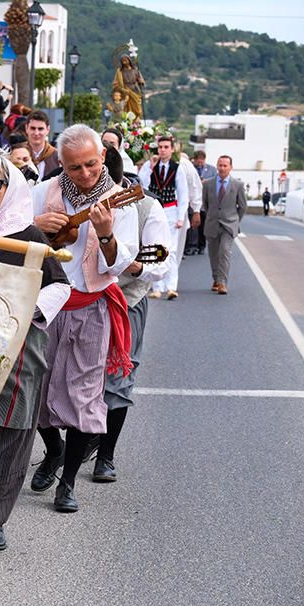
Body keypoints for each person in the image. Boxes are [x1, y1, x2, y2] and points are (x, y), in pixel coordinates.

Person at [0, 152, 70, 551]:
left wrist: (22, 313)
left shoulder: (29, 237)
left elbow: (59, 285)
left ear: (11, 190)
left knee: (6, 438)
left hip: (18, 351)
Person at [30, 124, 139, 513]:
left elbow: (126, 263)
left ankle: (68, 481)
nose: (86, 174)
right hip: (45, 305)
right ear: (61, 163)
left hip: (91, 306)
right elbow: (12, 237)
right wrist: (36, 227)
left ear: (103, 157)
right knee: (35, 388)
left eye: (92, 164)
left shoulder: (120, 200)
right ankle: (53, 450)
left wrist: (107, 236)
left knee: (84, 395)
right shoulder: (42, 193)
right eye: (75, 168)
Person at [94, 148, 170, 484]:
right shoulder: (69, 198)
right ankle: (75, 443)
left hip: (128, 300)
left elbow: (162, 263)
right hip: (82, 299)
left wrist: (135, 265)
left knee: (118, 377)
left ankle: (105, 456)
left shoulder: (146, 207)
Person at [139, 136, 188, 300]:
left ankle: (171, 286)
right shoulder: (149, 166)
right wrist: (151, 168)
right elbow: (142, 186)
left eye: (166, 147)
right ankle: (157, 287)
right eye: (160, 147)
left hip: (171, 210)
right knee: (155, 247)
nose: (163, 150)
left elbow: (183, 193)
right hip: (155, 209)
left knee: (171, 250)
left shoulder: (178, 168)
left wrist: (181, 217)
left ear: (172, 149)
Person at [199, 155, 245, 295]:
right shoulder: (208, 184)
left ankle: (222, 282)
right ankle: (216, 279)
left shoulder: (237, 185)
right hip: (212, 223)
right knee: (213, 254)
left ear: (230, 167)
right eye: (220, 165)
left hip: (229, 225)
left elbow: (242, 206)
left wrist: (235, 220)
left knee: (224, 252)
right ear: (217, 166)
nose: (222, 168)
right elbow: (206, 204)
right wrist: (212, 216)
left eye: (225, 165)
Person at [185, 150, 216, 255]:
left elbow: (216, 180)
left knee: (203, 225)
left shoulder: (212, 170)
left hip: (205, 201)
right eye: (198, 160)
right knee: (192, 224)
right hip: (192, 200)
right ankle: (191, 246)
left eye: (201, 160)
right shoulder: (190, 168)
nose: (199, 162)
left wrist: (205, 182)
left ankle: (201, 246)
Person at [26, 110, 60, 178]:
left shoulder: (58, 157)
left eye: (40, 129)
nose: (36, 133)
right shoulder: (18, 154)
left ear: (48, 129)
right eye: (33, 128)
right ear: (26, 128)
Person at [113, 55, 145, 119]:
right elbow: (116, 84)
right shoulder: (120, 71)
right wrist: (122, 90)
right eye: (123, 61)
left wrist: (141, 81)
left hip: (135, 90)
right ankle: (129, 123)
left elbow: (140, 79)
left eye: (125, 60)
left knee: (138, 110)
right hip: (125, 91)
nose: (124, 62)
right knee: (127, 110)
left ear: (129, 60)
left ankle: (137, 121)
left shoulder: (135, 69)